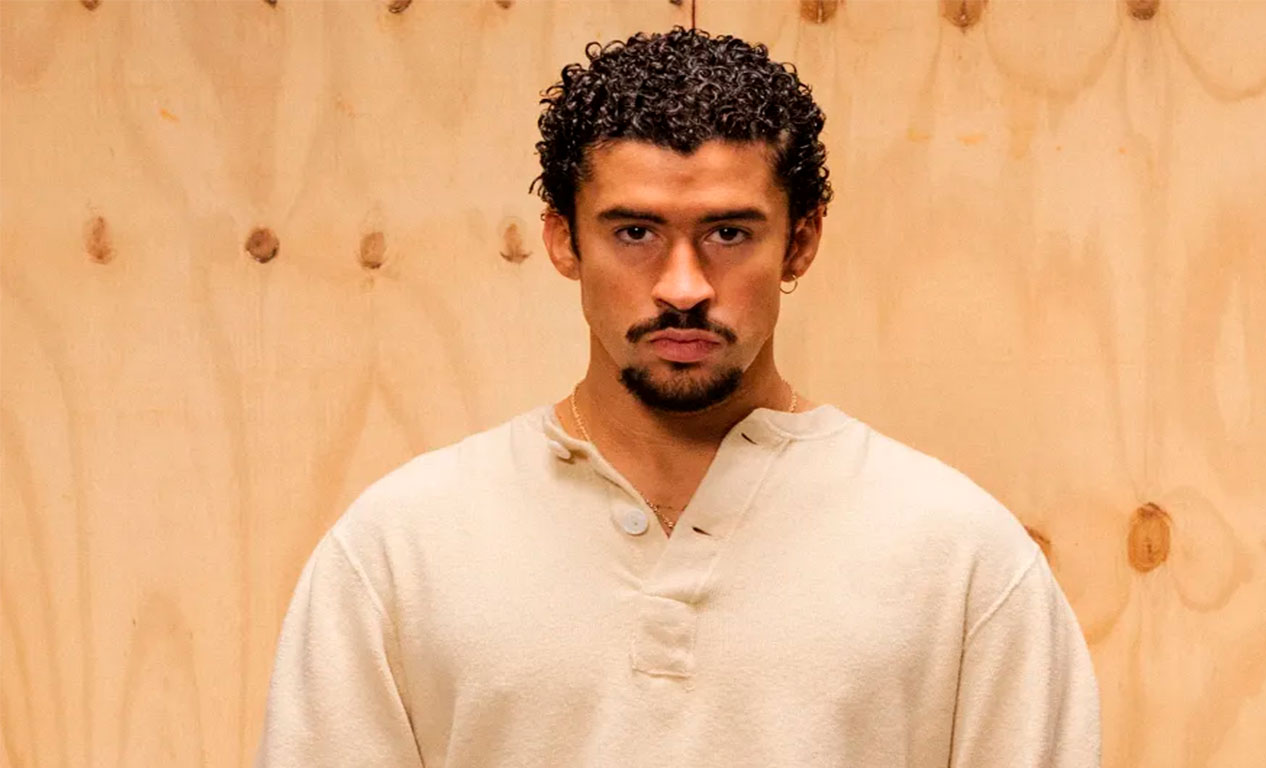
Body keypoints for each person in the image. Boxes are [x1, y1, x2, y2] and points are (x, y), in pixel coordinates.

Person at [255, 27, 1100, 767]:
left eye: (729, 233)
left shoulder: (960, 558)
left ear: (800, 241)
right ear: (563, 240)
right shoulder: (402, 549)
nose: (684, 286)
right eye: (635, 232)